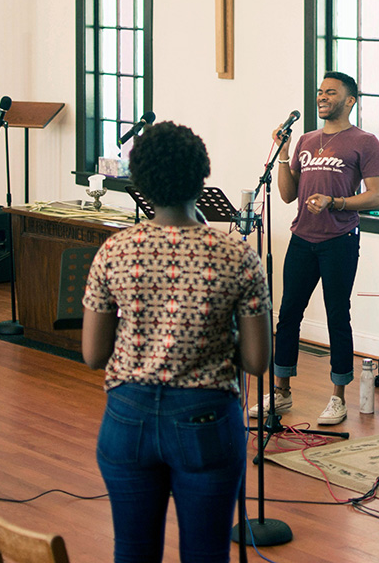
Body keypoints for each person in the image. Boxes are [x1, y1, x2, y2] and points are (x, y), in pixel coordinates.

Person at [82, 122, 271, 563]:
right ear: (200, 179)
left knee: (133, 552)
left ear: (141, 182)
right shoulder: (236, 254)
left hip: (127, 418)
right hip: (207, 422)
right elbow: (258, 361)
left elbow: (93, 355)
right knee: (206, 554)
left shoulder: (115, 251)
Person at [252, 72, 379, 426]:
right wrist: (283, 153)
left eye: (331, 92)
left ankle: (338, 396)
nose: (323, 97)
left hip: (339, 241)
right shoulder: (307, 140)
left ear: (350, 100)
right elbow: (286, 194)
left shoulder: (365, 141)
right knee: (288, 314)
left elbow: (376, 195)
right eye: (320, 92)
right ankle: (281, 392)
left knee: (337, 316)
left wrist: (335, 203)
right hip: (302, 239)